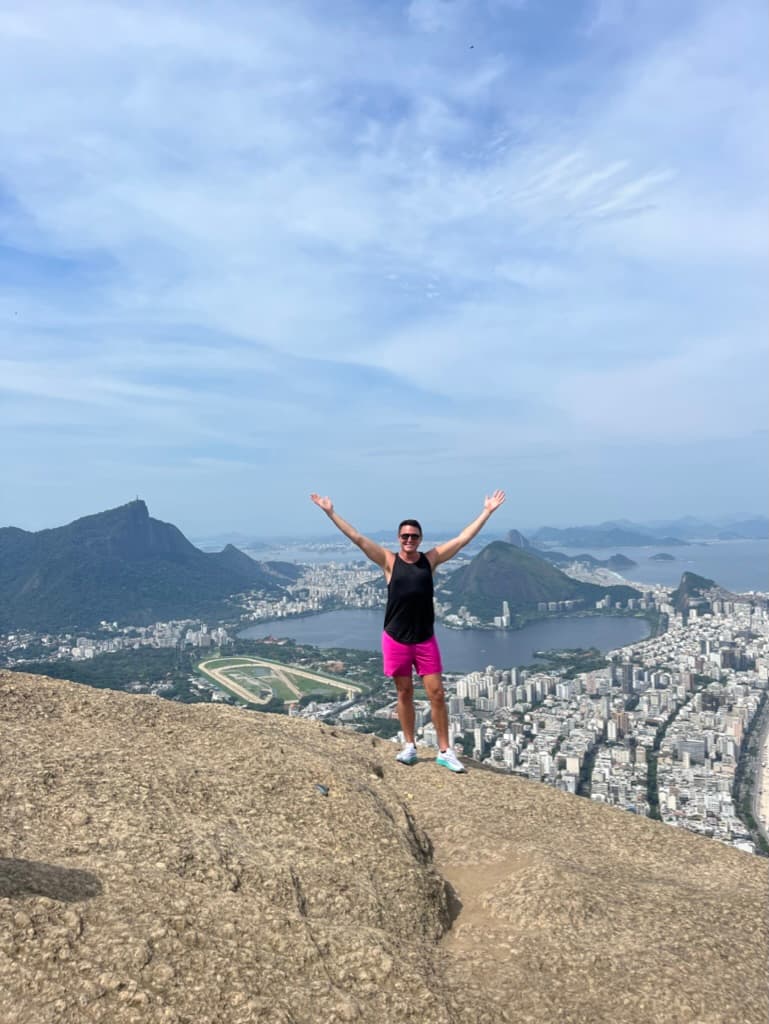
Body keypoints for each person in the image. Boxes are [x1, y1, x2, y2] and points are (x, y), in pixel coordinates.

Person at [309, 490, 506, 772]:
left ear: (420, 539)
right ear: (398, 539)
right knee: (404, 693)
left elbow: (463, 539)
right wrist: (330, 512)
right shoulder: (389, 562)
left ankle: (445, 749)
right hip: (396, 638)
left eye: (414, 536)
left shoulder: (431, 560)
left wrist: (487, 512)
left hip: (425, 639)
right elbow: (358, 538)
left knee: (436, 693)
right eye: (405, 536)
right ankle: (410, 745)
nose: (409, 540)